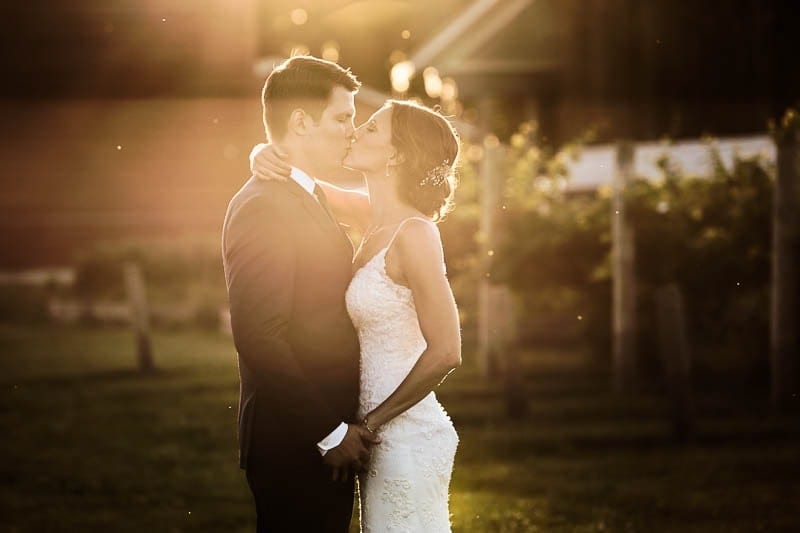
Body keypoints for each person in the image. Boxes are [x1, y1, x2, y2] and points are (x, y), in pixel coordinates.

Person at [251, 97, 462, 531]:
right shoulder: (373, 216)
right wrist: (261, 153)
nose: (353, 132)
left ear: (396, 153)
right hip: (370, 437)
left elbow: (447, 351)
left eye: (369, 128)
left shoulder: (416, 233)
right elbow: (298, 184)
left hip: (403, 434)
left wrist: (368, 425)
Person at [222, 55, 379, 533]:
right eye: (343, 117)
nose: (352, 131)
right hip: (295, 439)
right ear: (300, 123)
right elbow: (258, 335)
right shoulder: (264, 206)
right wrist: (329, 432)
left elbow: (396, 212)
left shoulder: (304, 193)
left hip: (319, 434)